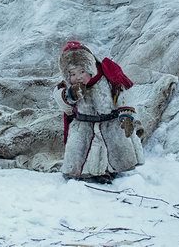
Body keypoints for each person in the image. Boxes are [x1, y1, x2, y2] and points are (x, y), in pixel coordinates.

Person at [53, 41, 144, 183]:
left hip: (110, 122)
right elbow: (60, 99)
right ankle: (83, 173)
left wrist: (126, 115)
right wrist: (70, 95)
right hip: (83, 125)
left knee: (115, 148)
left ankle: (110, 171)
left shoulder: (106, 77)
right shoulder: (68, 86)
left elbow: (123, 93)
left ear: (90, 67)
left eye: (82, 71)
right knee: (79, 151)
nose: (78, 77)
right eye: (73, 74)